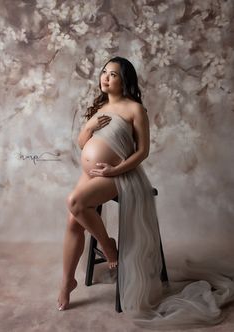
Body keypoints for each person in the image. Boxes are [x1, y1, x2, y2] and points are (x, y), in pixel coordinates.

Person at [58, 56, 234, 329]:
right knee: (73, 219)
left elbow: (142, 152)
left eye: (113, 74)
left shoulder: (135, 109)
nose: (106, 77)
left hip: (118, 175)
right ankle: (67, 280)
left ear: (125, 79)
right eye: (104, 72)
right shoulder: (100, 107)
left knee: (74, 202)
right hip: (91, 174)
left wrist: (114, 171)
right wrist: (90, 127)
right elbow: (84, 144)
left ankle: (108, 248)